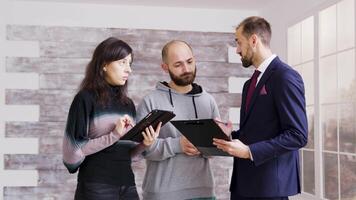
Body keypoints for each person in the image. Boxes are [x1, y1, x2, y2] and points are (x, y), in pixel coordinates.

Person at [213, 16, 308, 200]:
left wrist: (249, 152)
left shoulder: (285, 77)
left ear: (254, 40)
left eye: (239, 43)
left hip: (269, 187)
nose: (238, 50)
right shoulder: (249, 84)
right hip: (243, 185)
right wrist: (230, 136)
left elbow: (298, 135)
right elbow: (258, 131)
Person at [62, 37, 161, 200]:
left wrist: (145, 144)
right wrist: (113, 135)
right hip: (96, 186)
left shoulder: (127, 104)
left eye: (130, 63)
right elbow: (71, 152)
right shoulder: (85, 99)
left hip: (127, 185)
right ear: (104, 64)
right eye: (122, 62)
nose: (128, 69)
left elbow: (127, 155)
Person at [136, 40, 220, 200]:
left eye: (190, 62)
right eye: (178, 65)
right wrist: (178, 145)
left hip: (204, 192)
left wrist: (218, 143)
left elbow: (213, 153)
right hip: (162, 195)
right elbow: (142, 150)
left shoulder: (208, 100)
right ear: (165, 67)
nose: (186, 69)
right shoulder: (150, 101)